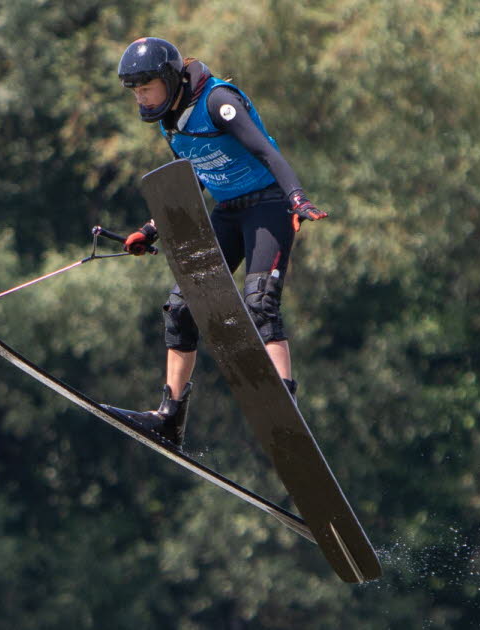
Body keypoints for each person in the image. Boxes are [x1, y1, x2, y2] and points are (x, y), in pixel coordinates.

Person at [114, 37, 328, 448]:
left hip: (268, 205)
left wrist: (297, 198)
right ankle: (169, 418)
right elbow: (196, 175)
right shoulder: (170, 120)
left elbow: (265, 151)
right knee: (180, 308)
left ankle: (285, 407)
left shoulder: (217, 101)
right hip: (229, 210)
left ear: (169, 78)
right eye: (134, 90)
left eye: (146, 86)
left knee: (260, 302)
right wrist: (151, 229)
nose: (140, 95)